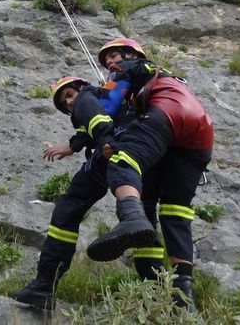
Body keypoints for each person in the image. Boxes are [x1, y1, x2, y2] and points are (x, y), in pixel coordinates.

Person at [85, 37, 213, 310]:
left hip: (168, 113)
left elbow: (108, 105)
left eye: (114, 55)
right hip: (198, 132)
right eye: (106, 60)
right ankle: (181, 294)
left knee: (122, 159)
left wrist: (93, 99)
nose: (110, 62)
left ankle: (130, 218)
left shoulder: (130, 67)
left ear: (131, 55)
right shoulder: (162, 75)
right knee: (173, 210)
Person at [12, 75, 137, 310]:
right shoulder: (104, 102)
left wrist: (106, 142)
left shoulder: (87, 95)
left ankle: (44, 287)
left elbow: (98, 122)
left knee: (67, 211)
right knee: (144, 216)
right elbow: (87, 128)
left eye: (69, 95)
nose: (69, 103)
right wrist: (72, 147)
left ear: (80, 88)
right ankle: (170, 294)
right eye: (63, 103)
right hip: (133, 152)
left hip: (109, 154)